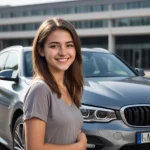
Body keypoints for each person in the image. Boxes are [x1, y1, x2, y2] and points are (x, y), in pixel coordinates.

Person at [23, 17, 87, 150]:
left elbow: (65, 128)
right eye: (54, 46)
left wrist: (80, 136)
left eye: (69, 45)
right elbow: (34, 148)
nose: (63, 52)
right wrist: (79, 146)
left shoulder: (69, 86)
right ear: (41, 50)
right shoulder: (40, 90)